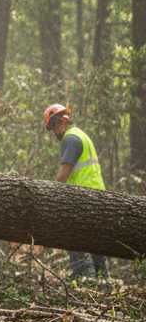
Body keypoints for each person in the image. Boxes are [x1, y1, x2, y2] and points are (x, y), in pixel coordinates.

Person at [45, 103, 108, 281]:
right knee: (95, 239)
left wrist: (49, 199)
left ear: (63, 120)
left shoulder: (70, 139)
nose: (54, 132)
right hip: (97, 194)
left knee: (71, 234)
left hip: (83, 196)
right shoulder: (81, 135)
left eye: (54, 126)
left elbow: (61, 177)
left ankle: (82, 276)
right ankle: (103, 278)